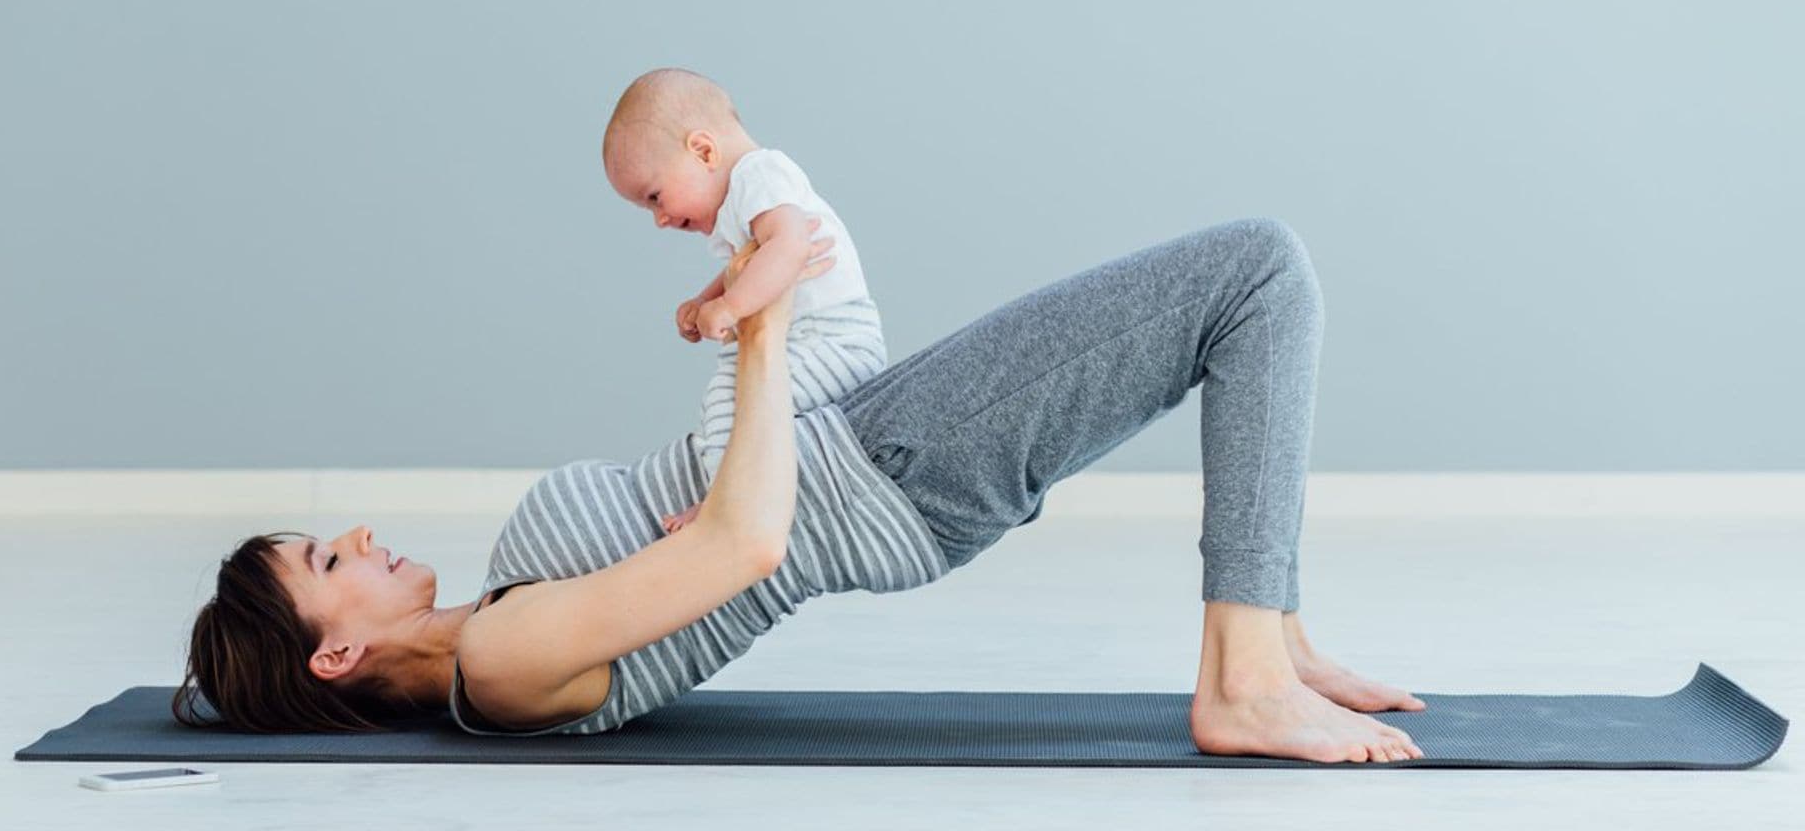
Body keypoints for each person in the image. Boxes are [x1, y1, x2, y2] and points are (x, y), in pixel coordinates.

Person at [176, 216, 1428, 763]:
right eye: (326, 565)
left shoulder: (501, 612)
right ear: (334, 658)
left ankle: (1275, 636)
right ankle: (1243, 679)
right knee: (1256, 275)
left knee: (1236, 298)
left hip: (869, 440)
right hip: (892, 474)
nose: (353, 538)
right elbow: (748, 540)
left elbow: (709, 537)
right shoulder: (494, 666)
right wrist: (760, 324)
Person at [601, 67, 887, 534]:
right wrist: (705, 298)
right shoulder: (744, 202)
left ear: (703, 150)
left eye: (655, 197)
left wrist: (730, 308)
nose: (660, 219)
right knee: (738, 405)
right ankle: (738, 495)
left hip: (835, 343)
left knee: (734, 403)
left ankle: (726, 505)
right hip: (809, 344)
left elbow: (789, 248)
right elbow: (749, 262)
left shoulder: (760, 174)